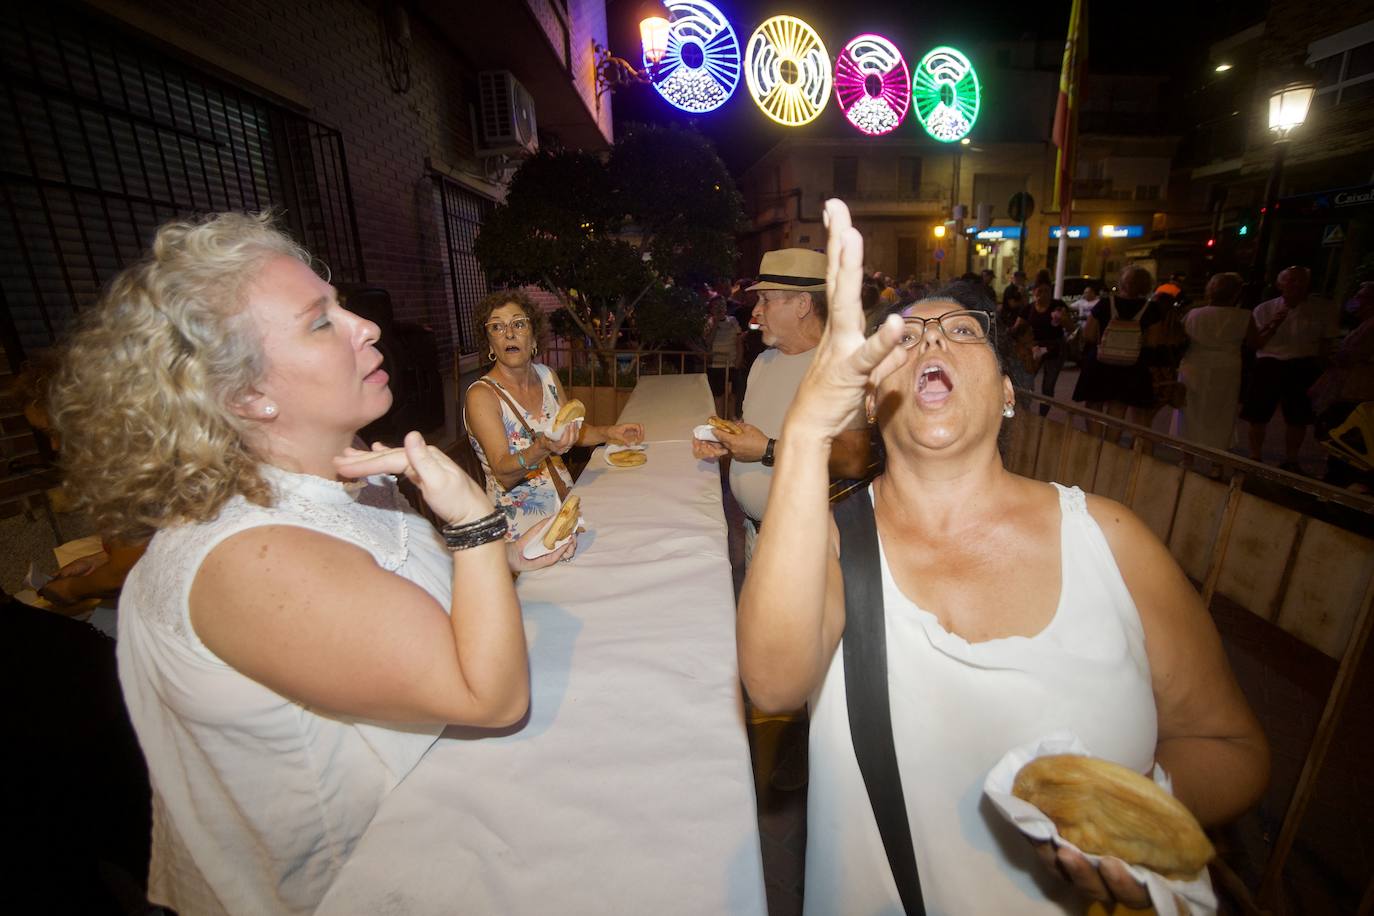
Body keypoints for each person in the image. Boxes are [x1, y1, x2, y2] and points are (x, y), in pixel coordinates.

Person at [738, 199, 1269, 914]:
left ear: (1010, 392)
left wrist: (1136, 808)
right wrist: (804, 432)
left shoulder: (1109, 539)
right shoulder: (827, 542)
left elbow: (1231, 744)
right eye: (906, 338)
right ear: (870, 400)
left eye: (962, 331)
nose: (931, 344)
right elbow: (772, 683)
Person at [48, 211, 574, 914]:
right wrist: (476, 521)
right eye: (320, 321)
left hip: (440, 823)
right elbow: (491, 696)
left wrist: (505, 554)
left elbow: (413, 602)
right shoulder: (250, 558)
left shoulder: (343, 479)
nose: (367, 327)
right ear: (247, 396)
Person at [691, 247, 872, 563]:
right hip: (755, 534)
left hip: (807, 548)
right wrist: (729, 441)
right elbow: (761, 429)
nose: (755, 312)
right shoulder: (764, 361)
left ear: (802, 304)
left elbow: (854, 458)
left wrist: (767, 449)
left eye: (766, 301)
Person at [464, 289, 643, 539]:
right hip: (518, 531)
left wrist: (609, 432)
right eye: (497, 327)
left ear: (534, 336)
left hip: (565, 510)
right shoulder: (481, 396)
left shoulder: (547, 376)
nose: (509, 333)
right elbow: (503, 471)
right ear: (490, 342)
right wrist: (543, 447)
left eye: (518, 323)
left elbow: (572, 432)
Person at [1241, 266, 1338, 473]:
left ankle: (1291, 458)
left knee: (1297, 416)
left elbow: (1326, 343)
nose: (1296, 285)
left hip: (1301, 364)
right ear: (1280, 284)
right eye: (1291, 281)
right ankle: (1255, 455)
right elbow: (1256, 343)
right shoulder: (1265, 309)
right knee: (1258, 413)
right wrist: (1273, 325)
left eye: (1301, 281)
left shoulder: (1322, 309)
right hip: (1269, 363)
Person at [1072, 265, 1164, 435]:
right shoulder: (1151, 309)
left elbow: (1089, 334)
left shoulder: (1106, 304)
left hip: (1101, 362)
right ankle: (1111, 445)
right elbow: (1153, 342)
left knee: (1094, 404)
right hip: (1131, 365)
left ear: (1122, 282)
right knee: (1118, 406)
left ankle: (1094, 442)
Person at [1171, 272, 1250, 462]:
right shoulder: (1244, 316)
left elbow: (1179, 338)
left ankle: (1187, 458)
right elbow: (1256, 341)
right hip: (1227, 367)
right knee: (1222, 412)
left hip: (1195, 364)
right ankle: (1217, 462)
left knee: (1191, 410)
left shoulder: (1194, 314)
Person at [1309, 281, 1374, 491]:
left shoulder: (1370, 327)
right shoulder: (1364, 324)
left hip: (1356, 391)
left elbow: (1351, 356)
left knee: (1345, 436)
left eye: (1361, 297)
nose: (1356, 301)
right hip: (1347, 389)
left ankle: (1344, 480)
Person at [1024, 281, 1072, 415]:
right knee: (1027, 380)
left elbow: (1070, 327)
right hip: (1035, 348)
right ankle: (1025, 410)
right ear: (1033, 292)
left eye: (1047, 291)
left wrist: (1063, 319)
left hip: (1055, 349)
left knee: (1048, 385)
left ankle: (1042, 416)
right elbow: (1019, 326)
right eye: (1040, 291)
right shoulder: (1029, 308)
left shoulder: (1058, 306)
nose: (1043, 295)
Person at [704, 293, 744, 417]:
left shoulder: (732, 321)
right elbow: (708, 342)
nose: (720, 308)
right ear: (711, 308)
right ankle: (719, 420)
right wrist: (715, 323)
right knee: (718, 395)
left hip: (731, 363)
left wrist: (739, 359)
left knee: (732, 394)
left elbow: (738, 341)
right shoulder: (708, 322)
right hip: (715, 365)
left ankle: (732, 418)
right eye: (716, 306)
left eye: (722, 305)